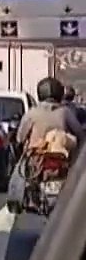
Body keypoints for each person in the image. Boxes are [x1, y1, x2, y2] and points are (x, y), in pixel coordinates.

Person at [8, 76, 85, 210]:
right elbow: (79, 134)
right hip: (62, 159)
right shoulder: (65, 112)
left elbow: (20, 138)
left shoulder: (32, 113)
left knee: (18, 174)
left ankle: (16, 201)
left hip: (36, 159)